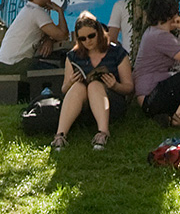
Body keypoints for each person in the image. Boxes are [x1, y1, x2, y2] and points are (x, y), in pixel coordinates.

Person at [52, 13, 132, 150]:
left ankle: (103, 132)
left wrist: (115, 85)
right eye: (82, 38)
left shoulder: (117, 52)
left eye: (91, 36)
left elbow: (129, 87)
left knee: (94, 85)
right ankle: (60, 135)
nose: (88, 41)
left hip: (111, 103)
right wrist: (71, 81)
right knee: (78, 86)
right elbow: (64, 89)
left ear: (99, 32)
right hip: (83, 107)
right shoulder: (73, 56)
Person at [0, 0, 66, 74]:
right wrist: (60, 11)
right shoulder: (37, 12)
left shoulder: (29, 9)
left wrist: (49, 39)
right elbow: (63, 35)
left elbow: (55, 33)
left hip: (3, 62)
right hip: (13, 64)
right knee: (59, 72)